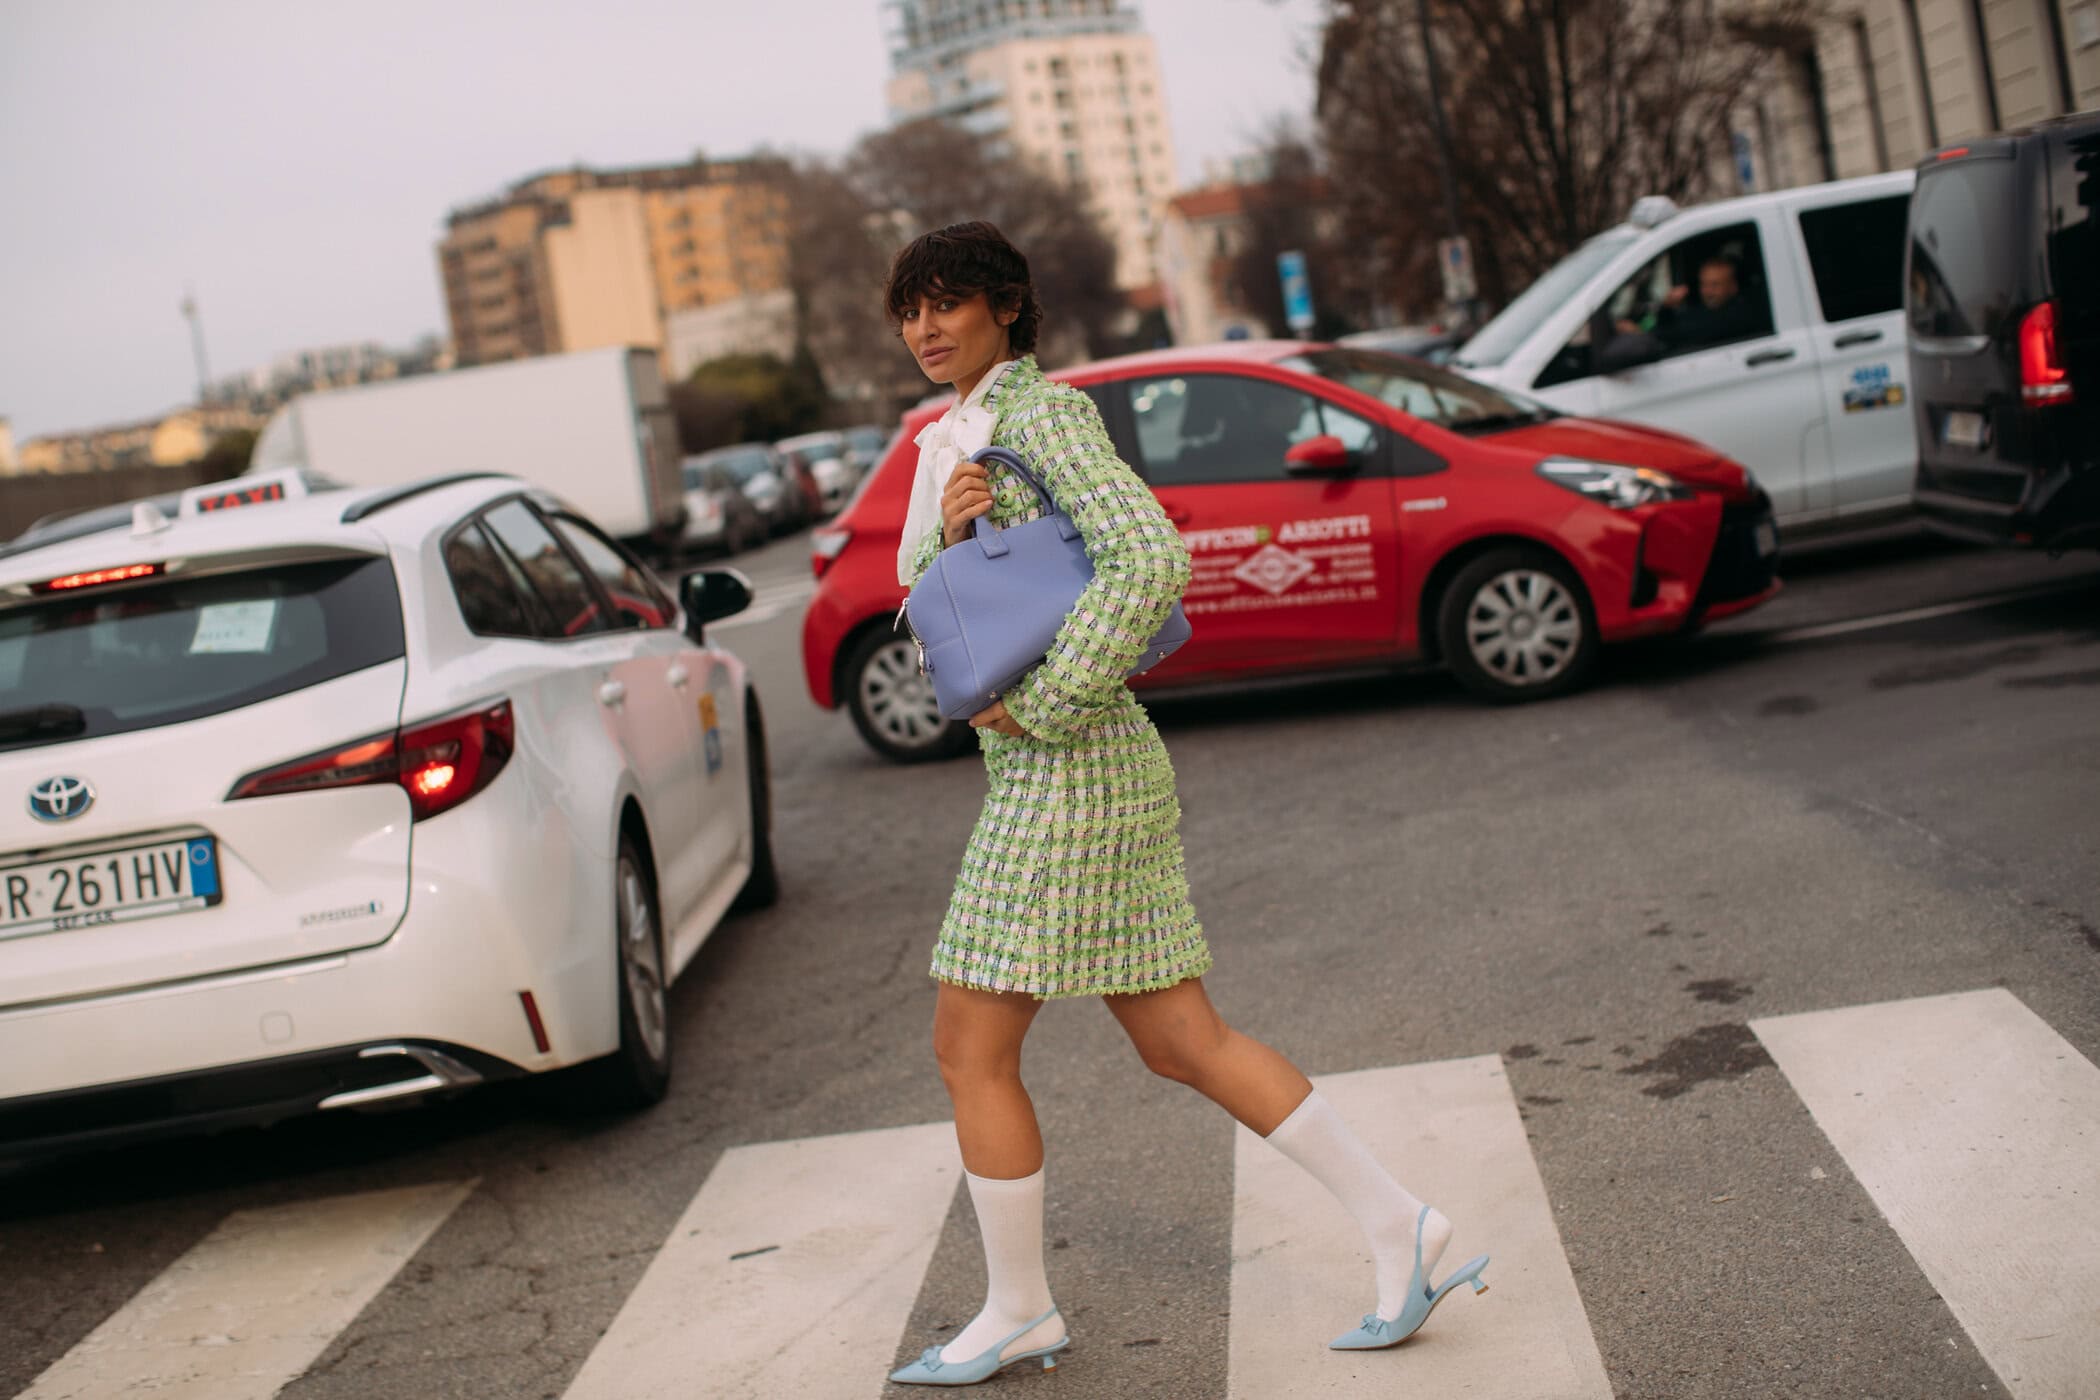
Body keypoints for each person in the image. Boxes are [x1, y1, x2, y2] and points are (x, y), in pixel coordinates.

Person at [882, 221, 1489, 1388]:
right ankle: (1400, 1222)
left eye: (946, 303)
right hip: (1079, 773)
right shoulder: (960, 436)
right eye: (909, 310)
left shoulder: (1044, 416)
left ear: (1007, 307)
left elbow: (1151, 558)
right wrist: (958, 528)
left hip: (1072, 774)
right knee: (1181, 1038)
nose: (924, 328)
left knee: (969, 1044)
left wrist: (1046, 701)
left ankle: (1017, 1308)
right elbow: (935, 603)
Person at [1644, 254, 1764, 350]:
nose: (1708, 291)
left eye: (1715, 285)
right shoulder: (1701, 309)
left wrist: (1645, 336)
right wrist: (1667, 308)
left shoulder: (1739, 314)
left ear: (1733, 286)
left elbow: (1688, 330)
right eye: (1704, 284)